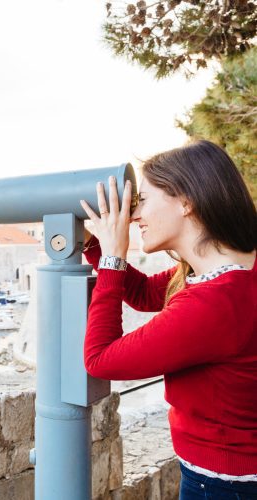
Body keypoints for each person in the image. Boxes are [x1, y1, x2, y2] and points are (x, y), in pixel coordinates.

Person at [79, 140, 257, 499]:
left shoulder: (213, 304)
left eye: (142, 200)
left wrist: (115, 255)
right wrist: (94, 245)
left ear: (187, 201)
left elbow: (100, 360)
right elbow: (145, 293)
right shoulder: (227, 272)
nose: (133, 216)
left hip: (223, 483)